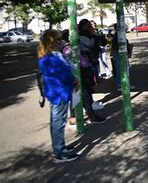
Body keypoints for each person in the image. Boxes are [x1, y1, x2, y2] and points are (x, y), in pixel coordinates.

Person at [37, 29, 79, 163]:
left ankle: (60, 146)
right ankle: (59, 152)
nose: (61, 42)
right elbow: (63, 75)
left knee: (57, 121)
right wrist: (74, 80)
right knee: (58, 122)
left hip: (56, 92)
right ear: (53, 42)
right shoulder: (52, 57)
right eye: (58, 40)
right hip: (59, 93)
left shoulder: (47, 56)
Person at [78, 19, 106, 122]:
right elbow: (90, 44)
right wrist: (94, 36)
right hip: (84, 65)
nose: (91, 26)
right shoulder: (82, 35)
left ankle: (89, 111)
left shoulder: (89, 34)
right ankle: (89, 114)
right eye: (88, 25)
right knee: (85, 90)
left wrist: (99, 37)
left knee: (88, 88)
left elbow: (100, 44)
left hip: (90, 63)